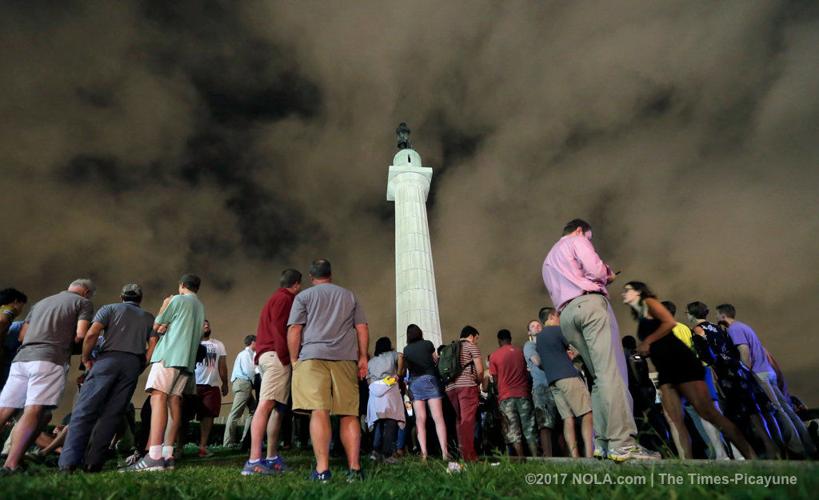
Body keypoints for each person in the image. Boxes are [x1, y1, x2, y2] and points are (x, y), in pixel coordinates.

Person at [542, 219, 655, 461]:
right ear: (581, 230)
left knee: (597, 378)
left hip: (567, 315)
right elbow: (594, 270)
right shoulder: (577, 240)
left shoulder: (548, 259)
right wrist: (608, 274)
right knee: (611, 374)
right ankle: (622, 443)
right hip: (590, 305)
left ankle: (602, 443)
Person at [622, 282, 756, 459]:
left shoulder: (650, 303)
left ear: (639, 292)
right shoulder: (641, 315)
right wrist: (645, 350)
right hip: (665, 369)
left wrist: (648, 342)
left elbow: (669, 323)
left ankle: (749, 454)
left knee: (708, 413)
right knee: (675, 420)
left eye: (628, 289)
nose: (624, 293)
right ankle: (687, 465)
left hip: (682, 363)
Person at [0, 279, 95, 474]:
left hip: (22, 359)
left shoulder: (41, 303)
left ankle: (12, 460)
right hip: (50, 359)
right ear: (85, 292)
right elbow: (81, 333)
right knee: (35, 410)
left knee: (4, 411)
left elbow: (21, 336)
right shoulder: (82, 303)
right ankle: (11, 465)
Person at [59, 284, 154, 472]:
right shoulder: (149, 317)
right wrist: (143, 362)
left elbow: (92, 333)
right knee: (113, 415)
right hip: (132, 364)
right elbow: (153, 343)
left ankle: (68, 463)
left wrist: (86, 358)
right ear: (140, 299)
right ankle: (93, 463)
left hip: (107, 360)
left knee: (84, 411)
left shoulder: (109, 309)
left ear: (121, 296)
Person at [287, 260, 368, 482]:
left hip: (312, 356)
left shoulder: (303, 297)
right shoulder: (349, 296)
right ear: (330, 275)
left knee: (319, 410)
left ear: (312, 277)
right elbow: (361, 327)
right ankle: (355, 469)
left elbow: (295, 328)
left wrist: (294, 359)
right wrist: (362, 356)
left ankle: (322, 471)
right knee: (349, 413)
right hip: (344, 358)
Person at [123, 274, 205, 472]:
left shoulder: (177, 299)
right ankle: (167, 455)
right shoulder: (200, 306)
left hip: (169, 355)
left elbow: (157, 326)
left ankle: (154, 456)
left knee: (157, 397)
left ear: (182, 285)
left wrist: (164, 305)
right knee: (174, 400)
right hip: (186, 361)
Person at [716, 304, 816, 458]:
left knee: (777, 410)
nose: (716, 318)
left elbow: (744, 351)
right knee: (786, 409)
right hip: (768, 371)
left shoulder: (734, 329)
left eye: (717, 315)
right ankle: (807, 444)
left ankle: (796, 448)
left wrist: (744, 372)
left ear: (723, 316)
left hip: (759, 374)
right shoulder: (745, 327)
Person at [686, 301, 781, 459]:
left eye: (687, 313)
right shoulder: (718, 327)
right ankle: (772, 450)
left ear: (692, 314)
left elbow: (707, 356)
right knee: (754, 413)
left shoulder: (697, 330)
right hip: (739, 371)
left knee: (732, 417)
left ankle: (747, 455)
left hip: (725, 374)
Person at [241, 269, 302, 476]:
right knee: (266, 404)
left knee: (278, 408)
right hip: (276, 356)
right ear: (296, 284)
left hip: (271, 356)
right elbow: (279, 328)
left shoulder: (276, 298)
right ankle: (254, 460)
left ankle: (272, 457)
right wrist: (286, 357)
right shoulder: (284, 299)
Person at [663, 300, 728, 460]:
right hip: (698, 372)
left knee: (701, 414)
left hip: (686, 375)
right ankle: (718, 452)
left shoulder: (671, 330)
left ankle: (720, 453)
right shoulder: (684, 328)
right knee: (704, 413)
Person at [535, 308, 593, 458]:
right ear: (552, 316)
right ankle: (590, 454)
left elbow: (542, 360)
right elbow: (577, 348)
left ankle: (575, 457)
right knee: (587, 413)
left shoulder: (539, 338)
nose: (560, 319)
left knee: (568, 418)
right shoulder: (558, 330)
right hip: (567, 376)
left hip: (552, 380)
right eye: (558, 316)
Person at [397, 324, 449, 461]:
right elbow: (436, 360)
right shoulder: (428, 344)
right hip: (430, 379)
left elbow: (406, 369)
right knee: (438, 418)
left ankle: (424, 453)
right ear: (420, 332)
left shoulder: (406, 349)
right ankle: (445, 452)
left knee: (420, 420)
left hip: (415, 382)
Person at [486, 329, 537, 457]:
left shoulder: (494, 356)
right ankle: (536, 458)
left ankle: (521, 458)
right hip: (523, 394)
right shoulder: (520, 352)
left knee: (512, 431)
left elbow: (496, 379)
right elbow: (526, 372)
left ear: (499, 340)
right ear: (510, 338)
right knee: (529, 428)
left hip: (505, 397)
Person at [445, 325, 483, 463]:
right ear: (471, 336)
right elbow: (479, 370)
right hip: (466, 386)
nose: (476, 342)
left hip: (450, 388)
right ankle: (469, 456)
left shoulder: (450, 348)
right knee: (468, 421)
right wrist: (478, 382)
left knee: (459, 420)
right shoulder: (470, 346)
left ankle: (462, 453)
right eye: (476, 339)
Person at [366, 337, 405, 463]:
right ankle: (387, 454)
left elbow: (367, 379)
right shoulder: (392, 355)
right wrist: (398, 374)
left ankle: (375, 452)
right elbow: (401, 356)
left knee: (377, 422)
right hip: (390, 390)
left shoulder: (371, 362)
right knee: (391, 421)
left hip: (375, 393)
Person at [523, 317, 558, 457]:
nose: (537, 327)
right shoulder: (530, 345)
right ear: (529, 333)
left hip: (554, 384)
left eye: (538, 325)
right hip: (541, 387)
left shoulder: (547, 344)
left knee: (558, 422)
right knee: (544, 423)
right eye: (533, 326)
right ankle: (548, 457)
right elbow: (537, 361)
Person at [194, 320, 227, 457]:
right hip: (192, 385)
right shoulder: (193, 343)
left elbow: (222, 365)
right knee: (183, 416)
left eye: (208, 324)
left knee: (208, 416)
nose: (206, 326)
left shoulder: (218, 344)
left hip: (211, 386)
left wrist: (225, 383)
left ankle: (202, 447)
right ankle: (177, 447)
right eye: (203, 324)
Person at [224, 335, 256, 447]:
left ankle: (245, 440)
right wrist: (256, 382)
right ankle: (228, 442)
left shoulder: (246, 354)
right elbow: (250, 370)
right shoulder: (246, 354)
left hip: (243, 384)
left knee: (254, 410)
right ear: (253, 342)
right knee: (235, 413)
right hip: (244, 384)